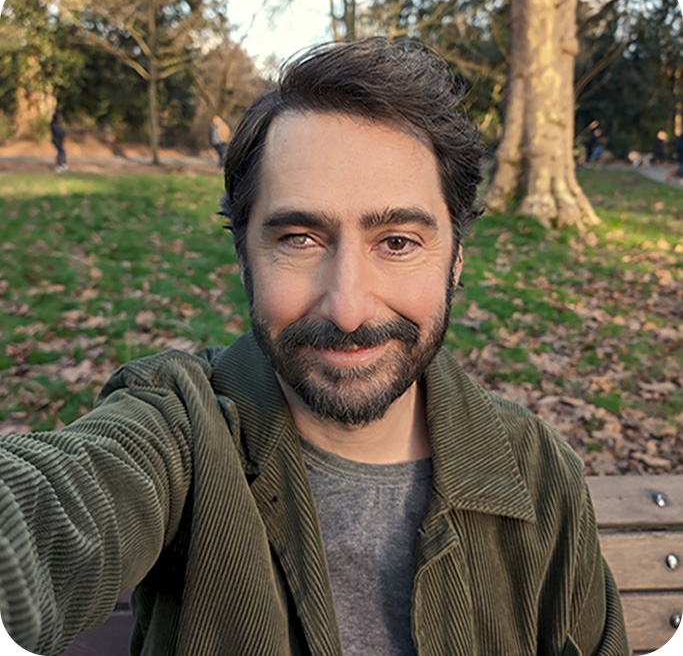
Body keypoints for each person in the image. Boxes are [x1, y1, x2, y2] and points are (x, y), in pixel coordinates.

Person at [0, 38, 628, 656]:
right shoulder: (179, 432)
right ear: (245, 258)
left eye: (398, 242)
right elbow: (52, 507)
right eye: (300, 239)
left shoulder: (542, 474)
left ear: (457, 258)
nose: (348, 310)